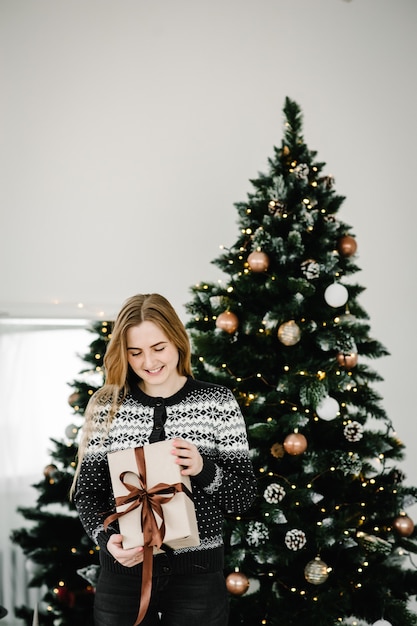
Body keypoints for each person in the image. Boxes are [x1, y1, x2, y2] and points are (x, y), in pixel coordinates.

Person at [71, 293, 257, 626]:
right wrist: (106, 540)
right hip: (124, 576)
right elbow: (87, 493)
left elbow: (243, 498)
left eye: (158, 348)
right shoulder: (107, 406)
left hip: (197, 578)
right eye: (135, 352)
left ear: (177, 341)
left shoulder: (217, 402)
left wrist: (203, 468)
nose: (148, 362)